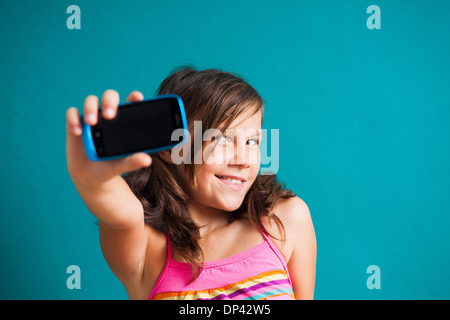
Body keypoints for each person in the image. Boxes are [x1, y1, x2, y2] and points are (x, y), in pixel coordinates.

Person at [65, 67, 316, 300]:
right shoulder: (146, 251)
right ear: (170, 149)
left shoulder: (286, 220)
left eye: (252, 142)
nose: (244, 160)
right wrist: (94, 177)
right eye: (221, 138)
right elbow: (116, 208)